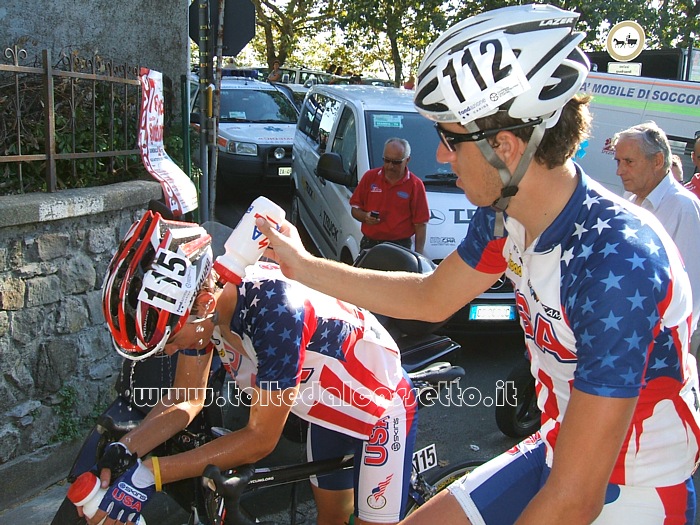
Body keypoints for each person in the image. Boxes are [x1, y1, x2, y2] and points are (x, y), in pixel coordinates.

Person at [257, 4, 700, 524]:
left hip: (635, 487)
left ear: (504, 147)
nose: (440, 158)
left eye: (448, 139)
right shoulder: (503, 214)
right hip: (559, 447)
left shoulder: (615, 263)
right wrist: (300, 264)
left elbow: (574, 500)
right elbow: (431, 297)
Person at [84, 211, 418, 525]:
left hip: (379, 410)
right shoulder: (205, 305)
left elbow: (260, 439)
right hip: (325, 411)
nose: (169, 350)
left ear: (202, 305)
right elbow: (185, 399)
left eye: (168, 339)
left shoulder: (275, 316)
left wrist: (150, 474)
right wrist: (127, 448)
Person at [612, 121, 700, 357]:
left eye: (628, 162)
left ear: (658, 161)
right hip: (631, 336)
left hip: (662, 344)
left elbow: (690, 290)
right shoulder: (630, 202)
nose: (619, 171)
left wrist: (668, 346)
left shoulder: (684, 207)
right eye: (618, 161)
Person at [349, 138, 429, 254]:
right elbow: (355, 209)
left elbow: (420, 224)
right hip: (370, 244)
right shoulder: (370, 177)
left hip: (400, 247)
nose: (390, 166)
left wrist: (418, 254)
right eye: (386, 160)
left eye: (396, 162)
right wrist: (365, 217)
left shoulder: (415, 185)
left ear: (407, 160)